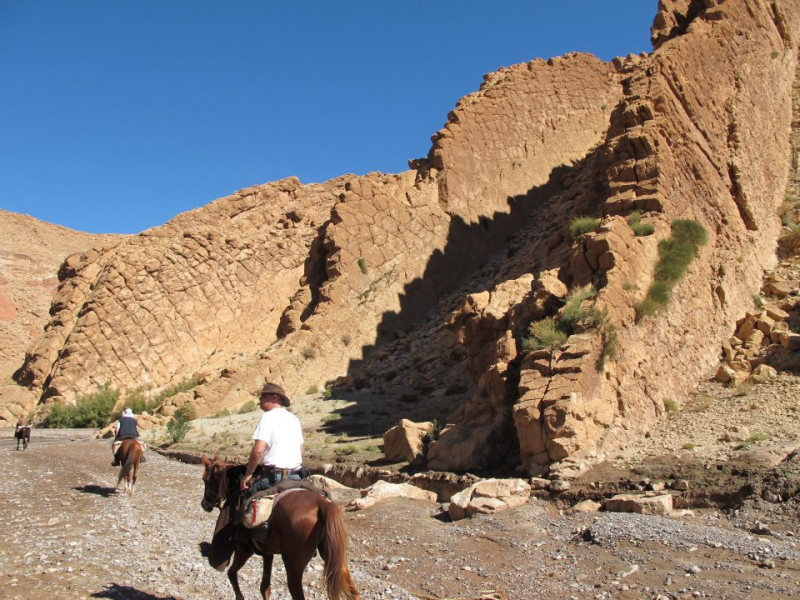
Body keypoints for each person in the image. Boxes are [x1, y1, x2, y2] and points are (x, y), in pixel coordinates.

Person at [240, 383, 304, 498]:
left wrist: (248, 474)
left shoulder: (268, 417)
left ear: (274, 398)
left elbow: (258, 450)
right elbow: (301, 451)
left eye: (263, 397)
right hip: (296, 477)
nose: (260, 400)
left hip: (273, 478)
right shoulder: (294, 419)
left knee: (246, 499)